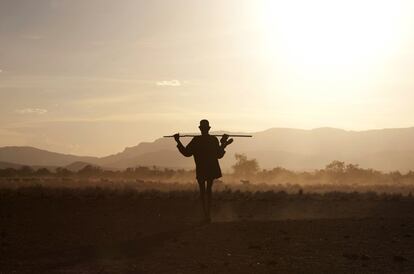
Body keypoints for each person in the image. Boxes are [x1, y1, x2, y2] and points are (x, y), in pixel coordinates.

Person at [174, 119, 233, 223]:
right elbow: (219, 155)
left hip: (201, 169)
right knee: (208, 191)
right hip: (210, 168)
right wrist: (223, 143)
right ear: (208, 129)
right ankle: (207, 214)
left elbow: (186, 153)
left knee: (203, 192)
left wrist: (178, 141)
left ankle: (205, 214)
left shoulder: (196, 140)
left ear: (200, 129)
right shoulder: (213, 140)